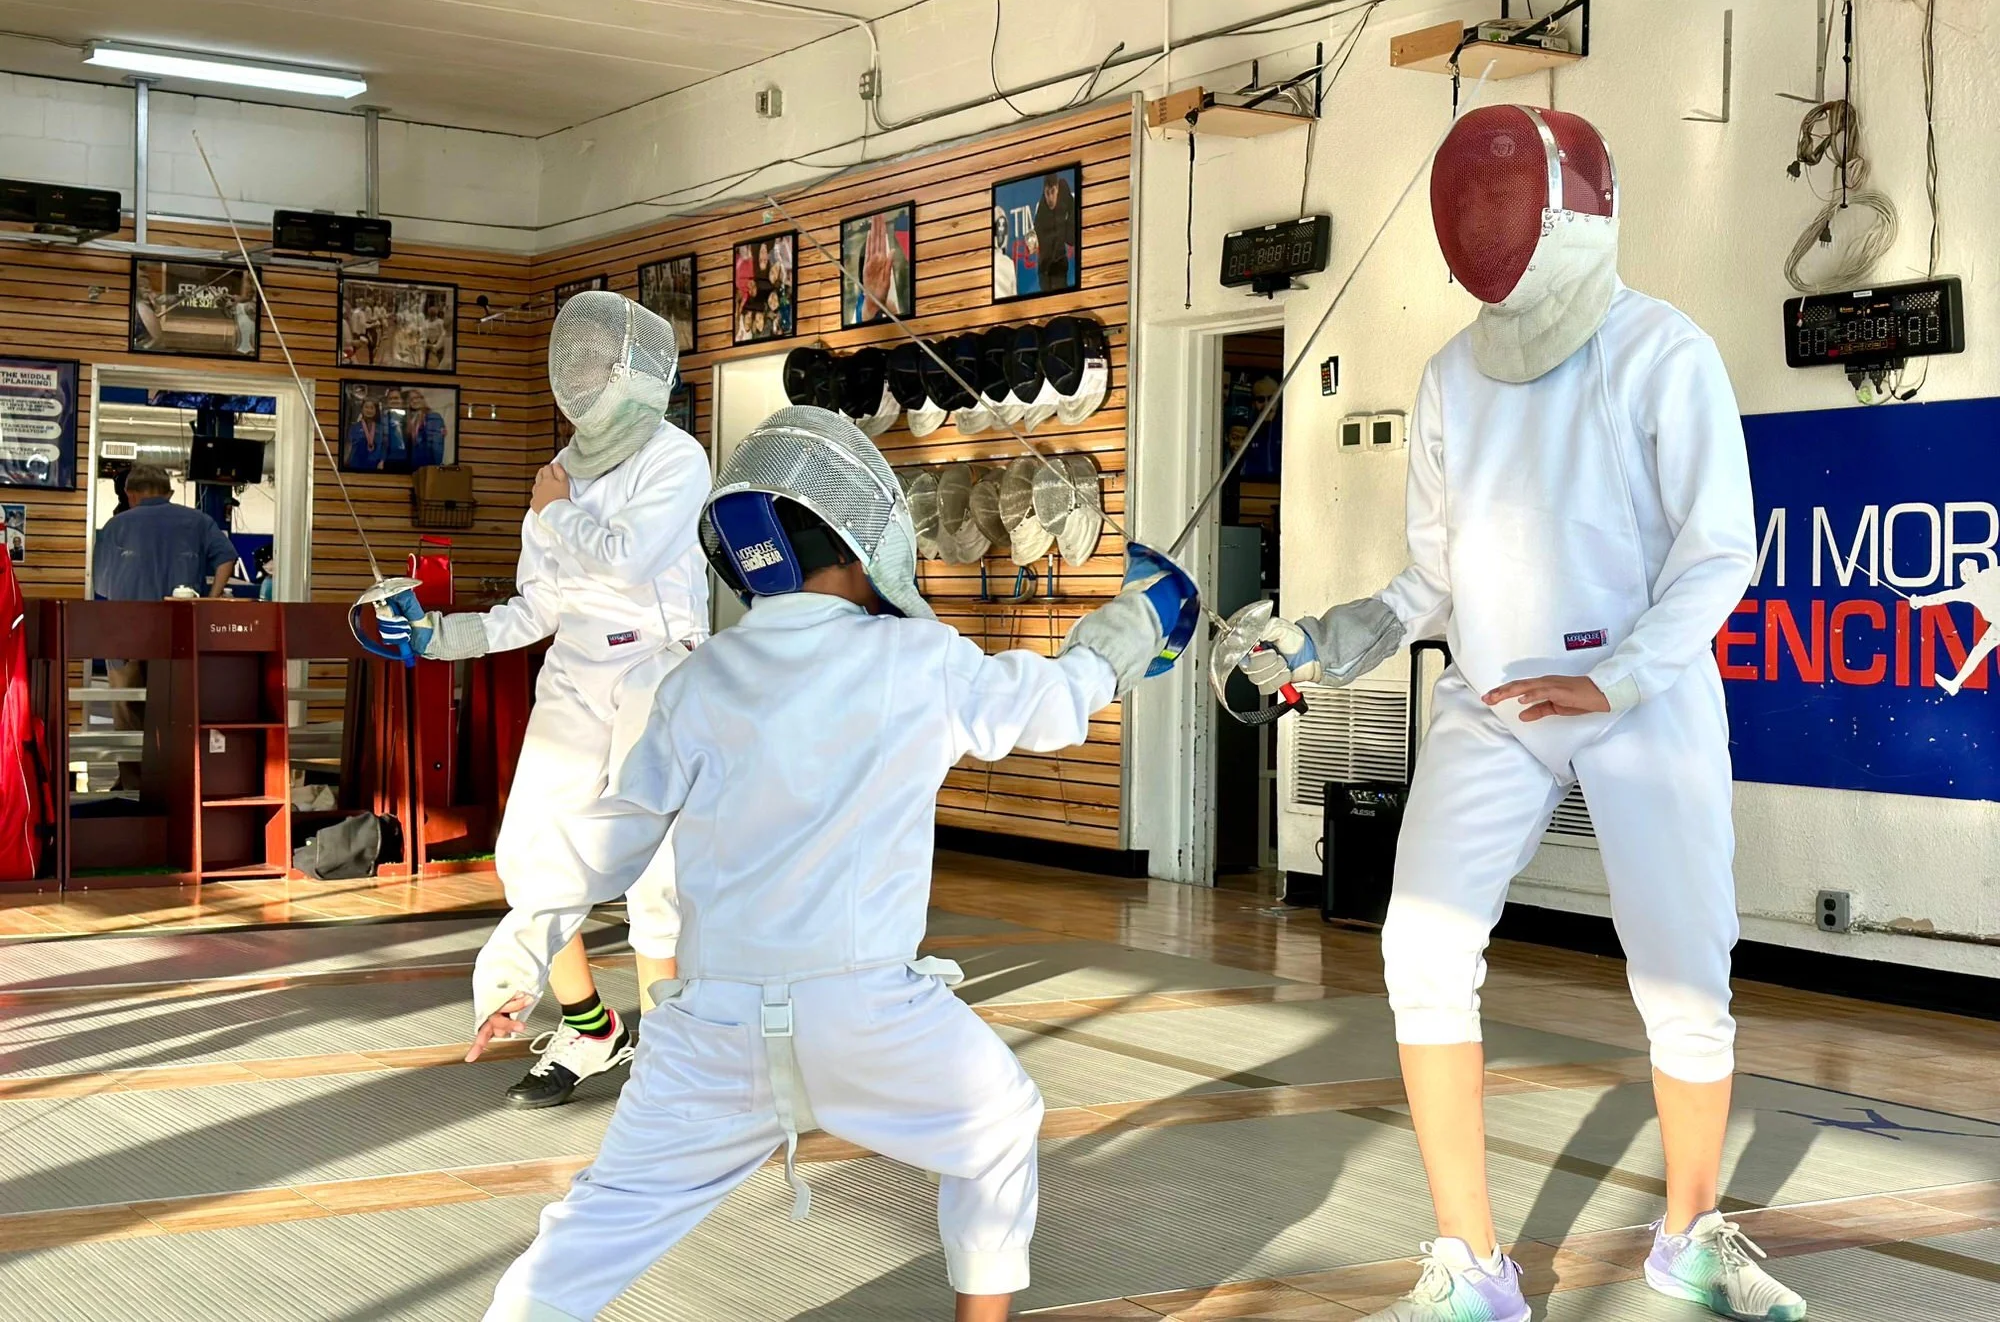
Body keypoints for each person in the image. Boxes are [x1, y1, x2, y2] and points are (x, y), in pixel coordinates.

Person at [1234, 106, 1804, 1322]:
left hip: (1639, 695)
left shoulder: (1665, 353)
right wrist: (1339, 635)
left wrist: (1619, 678)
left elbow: (1717, 554)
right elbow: (1433, 578)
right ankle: (1468, 1271)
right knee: (1417, 951)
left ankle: (1689, 1233)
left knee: (1683, 970)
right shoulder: (1451, 376)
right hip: (1493, 698)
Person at [466, 406, 1197, 1322]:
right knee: (998, 1121)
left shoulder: (699, 679)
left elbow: (605, 843)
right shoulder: (915, 657)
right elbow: (1045, 708)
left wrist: (517, 954)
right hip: (871, 1018)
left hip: (711, 1028)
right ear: (862, 548)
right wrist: (1132, 627)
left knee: (602, 1218)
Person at [386, 293, 708, 1110]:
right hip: (573, 672)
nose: (589, 374)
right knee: (529, 855)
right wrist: (437, 637)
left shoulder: (676, 459)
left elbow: (630, 562)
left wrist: (557, 513)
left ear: (632, 372)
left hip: (661, 672)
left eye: (602, 360)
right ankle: (592, 1025)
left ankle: (670, 1049)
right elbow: (534, 610)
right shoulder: (556, 475)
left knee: (652, 873)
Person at [92, 464, 240, 780]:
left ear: (130, 495)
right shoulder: (199, 521)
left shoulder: (116, 526)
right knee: (176, 714)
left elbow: (102, 585)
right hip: (181, 636)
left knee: (129, 714)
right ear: (170, 493)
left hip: (125, 637)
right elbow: (227, 558)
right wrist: (210, 601)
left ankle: (132, 787)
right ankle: (175, 786)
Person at [1908, 558, 2000, 695]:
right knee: (1978, 651)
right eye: (1965, 573)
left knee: (1978, 651)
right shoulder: (1968, 591)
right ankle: (1955, 684)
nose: (1968, 576)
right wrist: (1920, 601)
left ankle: (1955, 684)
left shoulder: (1991, 576)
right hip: (1997, 626)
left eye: (1969, 572)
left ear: (1976, 570)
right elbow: (1943, 597)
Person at [1032, 171, 1076, 293]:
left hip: (1060, 261)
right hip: (1045, 268)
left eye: (1053, 192)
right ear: (1044, 192)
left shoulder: (1063, 187)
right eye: (1047, 193)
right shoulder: (1041, 217)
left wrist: (1069, 230)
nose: (1050, 198)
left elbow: (1073, 208)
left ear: (1057, 189)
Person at [401, 390, 447, 471]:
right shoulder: (411, 420)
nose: (414, 401)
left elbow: (436, 445)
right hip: (414, 466)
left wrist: (436, 466)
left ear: (422, 399)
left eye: (417, 398)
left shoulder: (433, 416)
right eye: (411, 399)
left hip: (428, 465)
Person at [347, 395, 391, 471]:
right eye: (366, 407)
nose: (369, 410)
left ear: (376, 410)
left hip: (375, 464)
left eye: (372, 408)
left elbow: (384, 446)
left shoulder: (381, 428)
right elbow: (350, 447)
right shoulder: (354, 427)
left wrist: (382, 461)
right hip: (356, 464)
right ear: (362, 409)